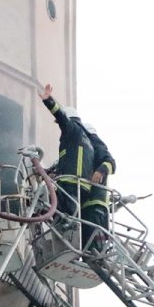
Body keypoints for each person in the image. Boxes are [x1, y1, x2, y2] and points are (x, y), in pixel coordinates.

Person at [38, 84, 94, 221]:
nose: (59, 124)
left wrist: (48, 101)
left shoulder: (73, 129)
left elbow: (62, 117)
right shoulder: (84, 140)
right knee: (66, 218)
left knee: (58, 214)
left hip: (71, 184)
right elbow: (70, 161)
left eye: (58, 123)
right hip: (82, 188)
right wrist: (53, 173)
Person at [80, 121, 116, 251]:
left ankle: (98, 263)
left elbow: (110, 162)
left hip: (95, 203)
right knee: (85, 244)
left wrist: (101, 170)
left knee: (94, 246)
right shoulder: (85, 150)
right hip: (86, 204)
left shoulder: (95, 143)